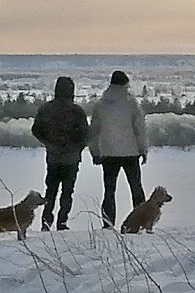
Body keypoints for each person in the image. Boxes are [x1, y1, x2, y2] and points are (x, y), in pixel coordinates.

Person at [88, 70, 148, 228]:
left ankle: (108, 225)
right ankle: (140, 221)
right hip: (130, 153)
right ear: (125, 84)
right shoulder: (132, 103)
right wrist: (143, 149)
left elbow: (93, 131)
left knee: (109, 192)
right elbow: (140, 129)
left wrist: (95, 152)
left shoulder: (101, 104)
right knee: (136, 188)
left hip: (108, 153)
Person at [31, 76, 89, 231]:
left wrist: (49, 144)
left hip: (53, 158)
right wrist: (77, 148)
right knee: (67, 192)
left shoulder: (46, 109)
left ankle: (46, 221)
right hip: (71, 159)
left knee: (50, 191)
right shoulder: (77, 111)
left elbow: (36, 130)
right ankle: (62, 222)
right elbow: (85, 134)